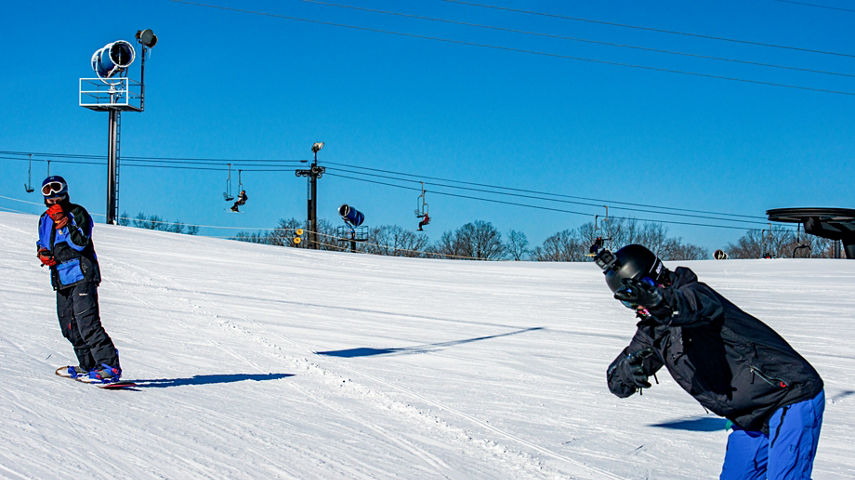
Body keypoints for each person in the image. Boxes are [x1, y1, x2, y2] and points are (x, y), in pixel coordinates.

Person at [594, 244, 824, 480]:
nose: (640, 306)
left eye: (642, 292)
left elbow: (685, 306)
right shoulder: (653, 332)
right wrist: (626, 371)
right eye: (629, 302)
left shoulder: (697, 296)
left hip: (789, 397)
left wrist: (659, 302)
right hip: (748, 417)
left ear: (658, 277)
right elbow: (616, 380)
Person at [36, 176, 122, 383]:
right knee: (69, 327)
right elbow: (42, 241)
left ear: (64, 190)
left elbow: (81, 243)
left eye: (56, 189)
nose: (52, 194)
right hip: (61, 278)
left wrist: (63, 224)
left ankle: (109, 367)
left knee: (88, 324)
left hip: (82, 274)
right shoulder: (44, 218)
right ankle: (89, 366)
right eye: (47, 190)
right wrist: (42, 252)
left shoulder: (76, 213)